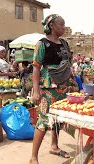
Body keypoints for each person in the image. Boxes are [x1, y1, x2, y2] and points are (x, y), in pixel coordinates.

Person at [30, 14, 78, 164]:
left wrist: (73, 81)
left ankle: (54, 146)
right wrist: (36, 90)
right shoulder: (42, 44)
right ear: (52, 26)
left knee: (58, 119)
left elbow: (68, 64)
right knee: (43, 121)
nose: (64, 28)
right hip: (48, 88)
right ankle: (33, 157)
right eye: (61, 25)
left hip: (64, 87)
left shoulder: (64, 43)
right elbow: (36, 68)